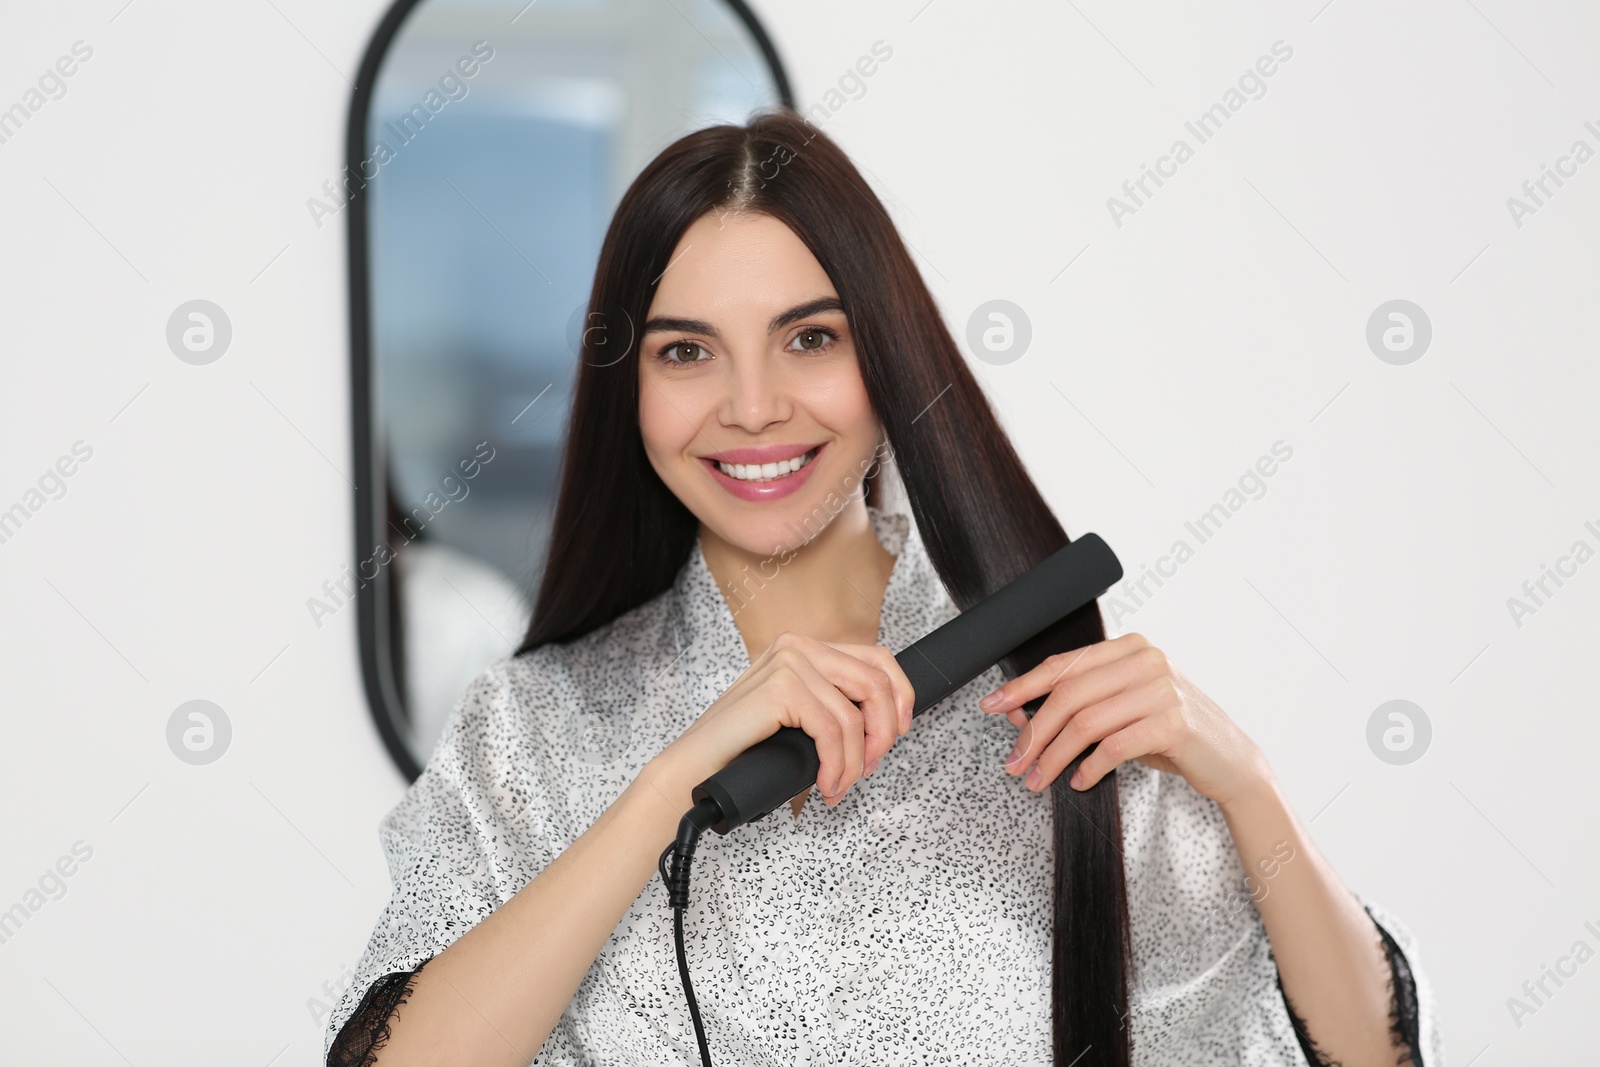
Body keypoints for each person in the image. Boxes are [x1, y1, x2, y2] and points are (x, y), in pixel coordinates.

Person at [325, 108, 1445, 1066]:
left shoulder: (1051, 714)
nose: (753, 406)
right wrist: (668, 780)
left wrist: (1251, 792)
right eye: (686, 352)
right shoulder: (530, 728)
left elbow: (1368, 1051)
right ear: (632, 392)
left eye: (808, 338)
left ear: (888, 359)